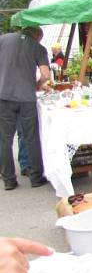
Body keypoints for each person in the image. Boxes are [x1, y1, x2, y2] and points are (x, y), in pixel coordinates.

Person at [0, 26, 50, 190]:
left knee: (5, 139)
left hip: (4, 95)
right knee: (31, 137)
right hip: (27, 97)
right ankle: (36, 177)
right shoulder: (38, 47)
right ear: (36, 36)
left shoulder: (4, 39)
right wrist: (36, 84)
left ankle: (9, 180)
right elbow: (45, 75)